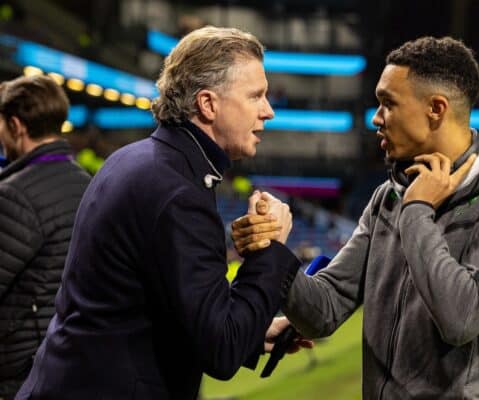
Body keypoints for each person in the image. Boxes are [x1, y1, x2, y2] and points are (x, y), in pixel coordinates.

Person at [233, 36, 479, 399]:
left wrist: (417, 212)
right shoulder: (389, 195)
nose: (376, 118)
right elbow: (324, 309)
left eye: (388, 103)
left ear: (436, 108)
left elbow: (461, 317)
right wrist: (272, 252)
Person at [16, 27, 302, 400]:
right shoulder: (178, 190)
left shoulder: (136, 160)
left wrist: (251, 333)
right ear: (208, 104)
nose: (269, 111)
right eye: (256, 96)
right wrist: (270, 249)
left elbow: (150, 309)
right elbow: (222, 351)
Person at [0, 75, 90, 399]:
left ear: (15, 125)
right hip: (73, 360)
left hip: (21, 374)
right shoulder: (88, 184)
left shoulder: (13, 195)